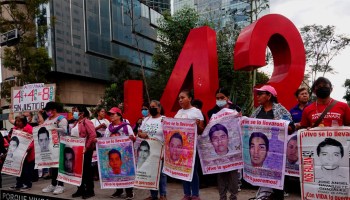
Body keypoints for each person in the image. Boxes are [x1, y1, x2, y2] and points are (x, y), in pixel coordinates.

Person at [250, 85, 295, 200]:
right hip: (262, 153)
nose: (258, 96)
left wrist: (280, 124)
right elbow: (249, 127)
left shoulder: (281, 110)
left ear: (269, 96)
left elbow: (291, 128)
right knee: (264, 180)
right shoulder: (257, 111)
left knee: (277, 184)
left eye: (261, 94)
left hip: (276, 154)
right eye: (257, 94)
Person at [207, 87, 240, 200]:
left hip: (233, 148)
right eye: (217, 98)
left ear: (227, 98)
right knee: (220, 173)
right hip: (219, 149)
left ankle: (233, 196)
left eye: (222, 98)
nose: (220, 100)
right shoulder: (212, 112)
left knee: (233, 174)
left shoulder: (236, 109)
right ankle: (222, 197)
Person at [174, 89, 205, 200]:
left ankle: (195, 194)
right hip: (181, 147)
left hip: (192, 146)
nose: (180, 100)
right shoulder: (178, 113)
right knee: (183, 169)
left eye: (183, 97)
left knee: (193, 170)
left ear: (190, 98)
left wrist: (197, 125)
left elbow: (202, 130)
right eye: (179, 98)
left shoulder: (196, 112)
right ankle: (187, 194)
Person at [138, 100, 167, 200]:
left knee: (162, 174)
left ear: (159, 108)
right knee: (151, 172)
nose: (151, 108)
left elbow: (168, 136)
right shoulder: (146, 120)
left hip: (160, 149)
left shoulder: (164, 119)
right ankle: (153, 195)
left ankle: (163, 195)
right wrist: (142, 135)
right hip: (148, 149)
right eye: (150, 107)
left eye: (154, 107)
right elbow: (139, 133)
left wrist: (165, 151)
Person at [105, 107, 135, 200]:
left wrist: (131, 138)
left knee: (126, 172)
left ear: (119, 115)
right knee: (116, 173)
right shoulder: (109, 128)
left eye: (113, 114)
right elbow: (105, 139)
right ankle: (119, 190)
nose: (111, 116)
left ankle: (129, 192)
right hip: (114, 154)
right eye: (110, 114)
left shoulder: (126, 126)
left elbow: (133, 138)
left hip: (125, 154)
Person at [40, 102, 68, 195]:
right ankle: (53, 184)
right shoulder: (48, 119)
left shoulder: (61, 119)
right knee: (52, 166)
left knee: (59, 166)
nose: (47, 112)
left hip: (59, 145)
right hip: (50, 146)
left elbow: (64, 131)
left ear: (54, 110)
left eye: (48, 110)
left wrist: (53, 129)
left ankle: (60, 185)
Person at [70, 106, 96, 199]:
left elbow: (92, 135)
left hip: (85, 150)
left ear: (82, 113)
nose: (74, 113)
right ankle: (80, 189)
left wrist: (87, 147)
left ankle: (90, 190)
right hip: (76, 150)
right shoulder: (76, 123)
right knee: (78, 171)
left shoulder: (87, 122)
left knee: (86, 171)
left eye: (76, 111)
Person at [8, 115, 34, 192]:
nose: (17, 123)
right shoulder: (15, 129)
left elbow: (33, 140)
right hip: (17, 152)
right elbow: (12, 139)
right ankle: (18, 184)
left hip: (27, 153)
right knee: (17, 169)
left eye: (19, 121)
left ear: (24, 121)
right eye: (17, 121)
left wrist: (28, 147)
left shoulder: (29, 128)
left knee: (26, 170)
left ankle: (27, 184)